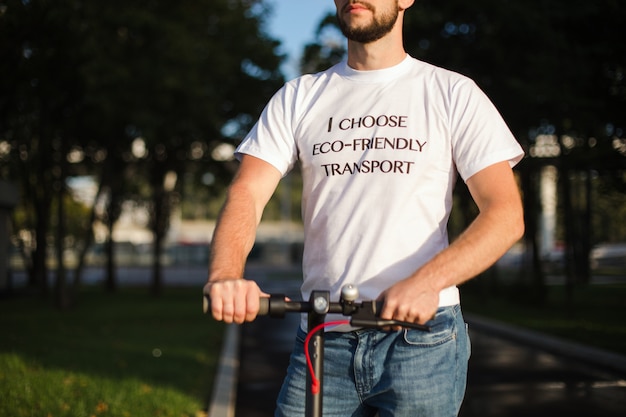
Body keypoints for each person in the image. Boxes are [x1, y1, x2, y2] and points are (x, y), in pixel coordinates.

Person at [204, 0, 525, 415]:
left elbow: (505, 214)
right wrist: (226, 276)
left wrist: (427, 282)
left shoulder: (451, 92)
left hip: (420, 342)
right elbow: (247, 191)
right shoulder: (299, 96)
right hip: (324, 338)